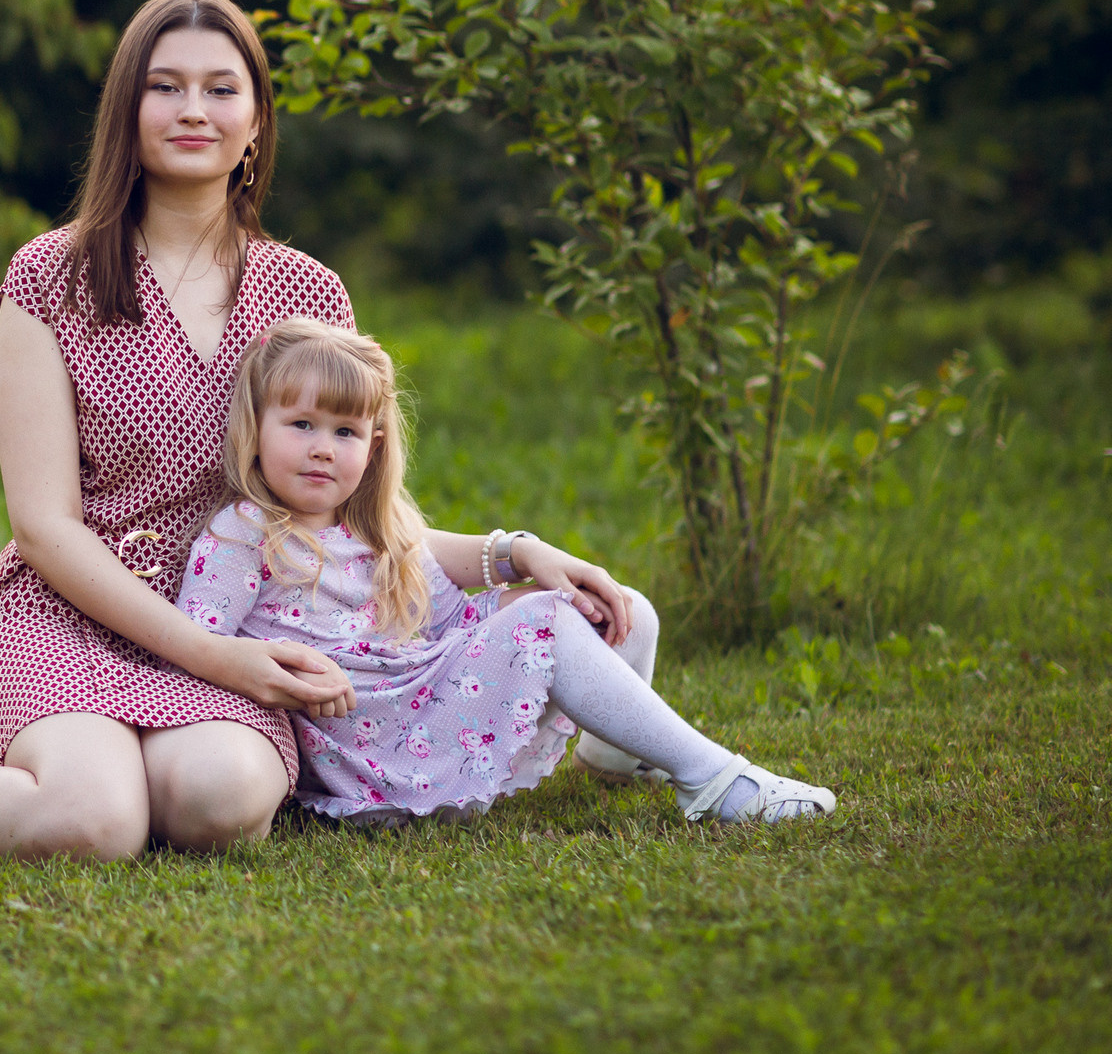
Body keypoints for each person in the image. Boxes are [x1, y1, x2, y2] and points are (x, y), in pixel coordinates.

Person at [0, 0, 663, 858]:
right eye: (165, 86)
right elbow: (44, 525)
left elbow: (358, 519)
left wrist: (514, 553)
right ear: (126, 113)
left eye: (222, 88)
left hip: (247, 618)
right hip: (73, 612)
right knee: (94, 822)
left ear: (255, 122)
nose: (194, 108)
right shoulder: (47, 279)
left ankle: (116, 771)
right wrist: (219, 658)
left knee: (220, 800)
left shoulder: (308, 290)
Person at [177, 317, 840, 826]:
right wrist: (278, 669)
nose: (323, 448)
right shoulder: (246, 532)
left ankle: (616, 754)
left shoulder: (363, 524)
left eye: (346, 432)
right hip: (382, 741)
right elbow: (198, 643)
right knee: (546, 620)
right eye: (301, 424)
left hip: (416, 689)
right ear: (255, 428)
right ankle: (713, 778)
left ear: (374, 443)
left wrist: (527, 552)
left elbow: (433, 564)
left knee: (609, 603)